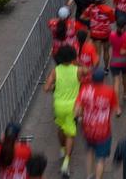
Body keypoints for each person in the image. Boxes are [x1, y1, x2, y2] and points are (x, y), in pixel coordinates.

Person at [76, 67, 121, 179]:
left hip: (88, 129)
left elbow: (76, 110)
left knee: (90, 151)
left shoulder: (85, 89)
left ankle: (89, 175)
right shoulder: (109, 92)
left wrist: (81, 116)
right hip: (103, 131)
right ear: (103, 79)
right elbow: (117, 110)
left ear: (92, 78)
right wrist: (117, 113)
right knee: (100, 158)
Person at [43, 45, 81, 177]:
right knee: (70, 134)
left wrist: (54, 85)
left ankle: (62, 148)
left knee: (60, 128)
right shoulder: (77, 70)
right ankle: (66, 163)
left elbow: (46, 88)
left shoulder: (55, 71)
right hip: (72, 107)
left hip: (58, 106)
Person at [83, 0, 116, 67]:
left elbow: (83, 17)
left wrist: (92, 19)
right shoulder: (108, 9)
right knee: (106, 51)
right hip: (106, 34)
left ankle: (96, 70)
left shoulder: (91, 7)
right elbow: (112, 21)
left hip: (95, 34)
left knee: (97, 53)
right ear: (103, 0)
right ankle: (106, 69)